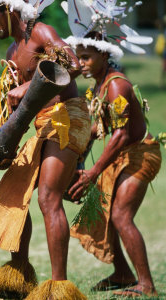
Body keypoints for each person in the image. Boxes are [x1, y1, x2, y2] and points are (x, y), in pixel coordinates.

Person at [0, 1, 91, 299]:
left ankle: (59, 287)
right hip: (40, 124)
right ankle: (18, 276)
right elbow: (20, 107)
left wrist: (25, 87)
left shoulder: (41, 32)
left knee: (48, 198)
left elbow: (73, 64)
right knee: (14, 194)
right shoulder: (12, 52)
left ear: (10, 11)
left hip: (66, 117)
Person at [67, 31, 161, 298]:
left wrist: (92, 172)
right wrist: (77, 158)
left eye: (86, 57)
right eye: (79, 57)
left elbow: (120, 135)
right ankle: (122, 274)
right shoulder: (99, 85)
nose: (81, 62)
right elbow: (101, 128)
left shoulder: (117, 85)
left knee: (120, 215)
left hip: (141, 154)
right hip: (121, 155)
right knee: (103, 215)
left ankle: (147, 285)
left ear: (104, 55)